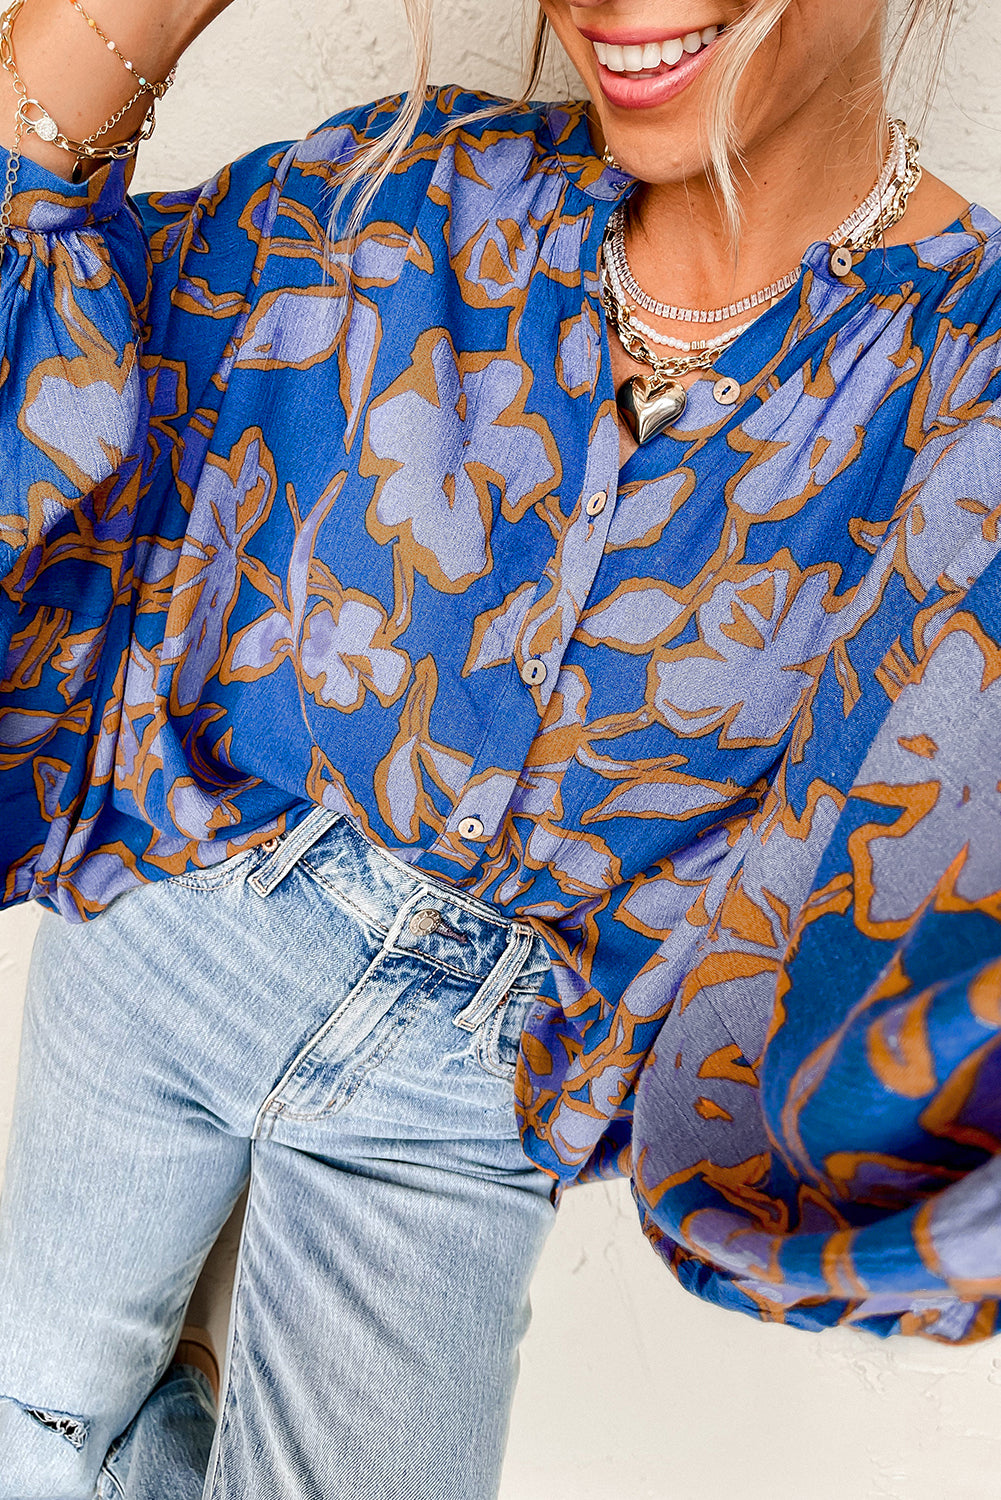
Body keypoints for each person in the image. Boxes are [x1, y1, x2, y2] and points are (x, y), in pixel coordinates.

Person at [1, 0, 1000, 1493]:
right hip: (176, 932)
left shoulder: (969, 388)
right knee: (25, 1430)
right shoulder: (399, 190)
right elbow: (41, 340)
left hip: (473, 1093)